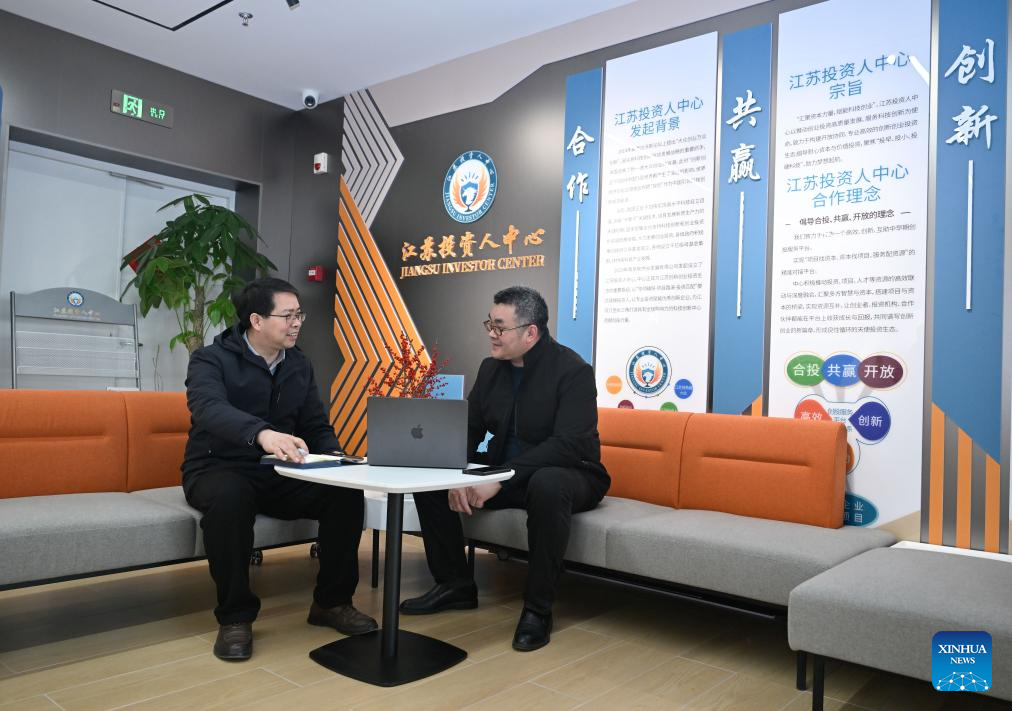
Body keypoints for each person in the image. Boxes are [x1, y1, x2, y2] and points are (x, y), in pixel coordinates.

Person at [401, 286, 610, 651]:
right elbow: (470, 428)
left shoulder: (573, 371)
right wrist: (455, 474)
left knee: (547, 484)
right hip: (506, 472)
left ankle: (537, 610)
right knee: (432, 477)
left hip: (571, 472)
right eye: (490, 324)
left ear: (531, 332)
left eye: (500, 327)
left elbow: (567, 445)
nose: (491, 334)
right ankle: (455, 584)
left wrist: (502, 478)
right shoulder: (491, 369)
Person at [182, 277, 377, 661]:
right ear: (256, 320)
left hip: (278, 471)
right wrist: (262, 434)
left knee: (344, 493)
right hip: (217, 467)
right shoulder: (210, 359)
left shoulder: (298, 363)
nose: (297, 323)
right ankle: (235, 617)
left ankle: (331, 603)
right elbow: (208, 409)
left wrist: (337, 459)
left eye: (299, 314)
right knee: (230, 499)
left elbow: (315, 424)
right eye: (287, 316)